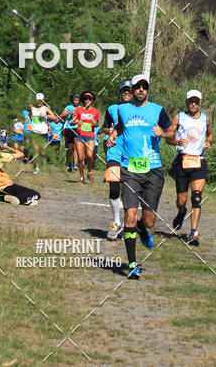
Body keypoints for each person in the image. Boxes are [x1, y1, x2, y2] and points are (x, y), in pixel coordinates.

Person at [106, 74, 173, 280]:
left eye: (144, 87)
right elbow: (120, 126)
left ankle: (143, 230)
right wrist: (112, 135)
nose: (140, 90)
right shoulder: (123, 110)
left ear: (148, 90)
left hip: (153, 170)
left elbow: (172, 132)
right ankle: (133, 263)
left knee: (149, 221)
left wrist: (162, 133)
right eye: (137, 87)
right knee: (130, 215)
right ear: (133, 90)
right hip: (130, 169)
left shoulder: (157, 110)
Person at [167, 89, 213, 246]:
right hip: (182, 162)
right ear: (186, 102)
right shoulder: (179, 117)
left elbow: (211, 135)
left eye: (196, 101)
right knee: (182, 200)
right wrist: (177, 142)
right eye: (191, 101)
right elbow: (168, 138)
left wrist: (208, 143)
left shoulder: (206, 119)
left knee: (197, 197)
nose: (193, 104)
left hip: (198, 162)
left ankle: (194, 233)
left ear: (200, 103)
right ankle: (181, 211)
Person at [100, 79, 133, 240]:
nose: (126, 92)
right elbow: (105, 126)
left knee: (129, 191)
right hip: (114, 150)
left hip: (132, 153)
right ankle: (115, 222)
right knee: (114, 186)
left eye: (129, 90)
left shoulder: (140, 109)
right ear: (120, 92)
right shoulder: (112, 108)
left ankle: (129, 223)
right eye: (124, 90)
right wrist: (110, 130)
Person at [70, 91, 99, 183]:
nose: (87, 100)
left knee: (90, 156)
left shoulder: (95, 111)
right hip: (80, 136)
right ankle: (81, 176)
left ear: (92, 100)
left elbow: (97, 124)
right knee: (81, 158)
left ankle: (89, 171)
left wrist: (95, 124)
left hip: (90, 136)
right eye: (85, 99)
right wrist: (77, 122)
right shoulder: (78, 110)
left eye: (89, 99)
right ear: (83, 100)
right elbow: (72, 122)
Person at [27, 93, 59, 174]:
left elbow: (55, 118)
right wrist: (27, 120)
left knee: (42, 152)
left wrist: (46, 115)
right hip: (34, 131)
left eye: (41, 101)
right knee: (35, 150)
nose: (39, 102)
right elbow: (30, 115)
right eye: (38, 100)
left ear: (43, 101)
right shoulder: (32, 108)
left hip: (43, 133)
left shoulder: (46, 108)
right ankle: (36, 168)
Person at [60, 92, 80, 173]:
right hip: (69, 128)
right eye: (75, 100)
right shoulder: (69, 107)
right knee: (70, 148)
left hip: (77, 128)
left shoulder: (81, 107)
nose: (76, 102)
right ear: (73, 100)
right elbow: (61, 115)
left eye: (78, 100)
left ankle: (75, 164)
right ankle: (69, 164)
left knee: (76, 147)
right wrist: (71, 111)